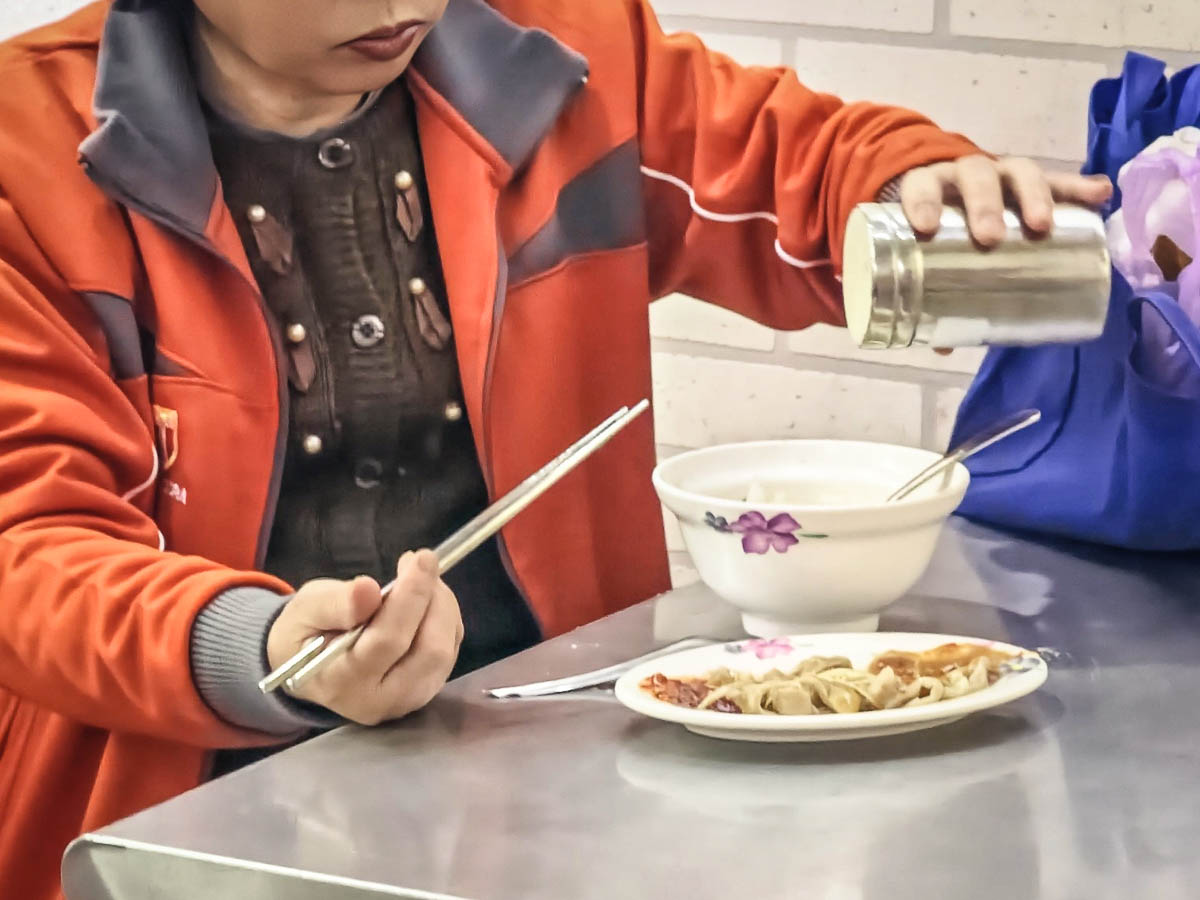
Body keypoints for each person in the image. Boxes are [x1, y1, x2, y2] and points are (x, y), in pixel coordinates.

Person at [0, 0, 1112, 896]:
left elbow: (792, 162)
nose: (405, 7)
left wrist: (906, 182)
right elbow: (27, 549)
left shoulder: (562, 51)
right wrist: (264, 645)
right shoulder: (25, 154)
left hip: (559, 794)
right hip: (186, 823)